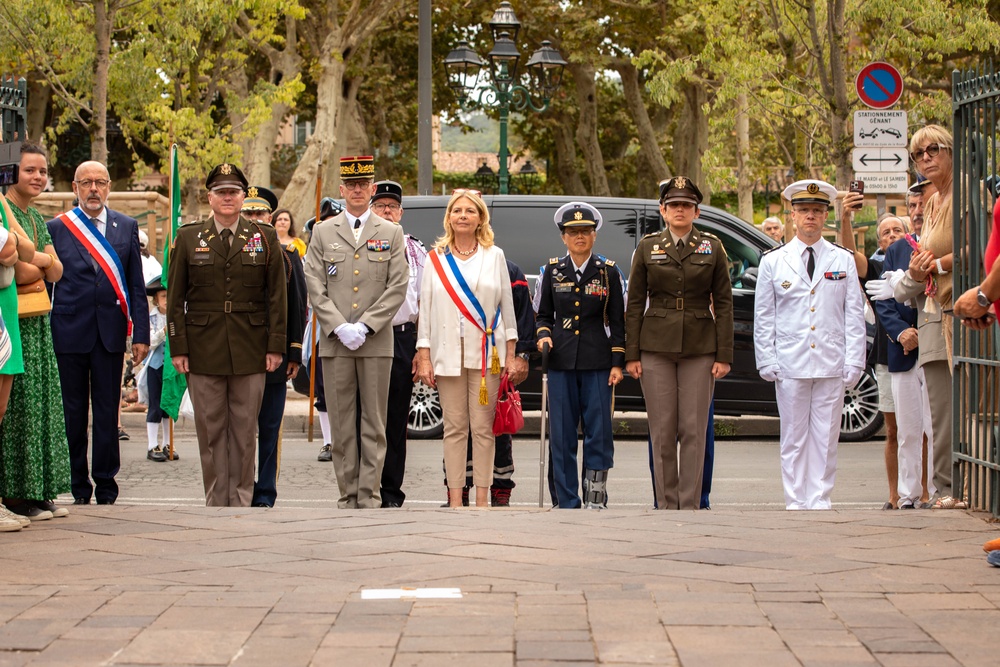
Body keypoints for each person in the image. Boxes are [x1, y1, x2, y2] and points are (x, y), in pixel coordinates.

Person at [167, 163, 287, 507]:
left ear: (242, 196)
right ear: (210, 197)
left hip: (252, 348)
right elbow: (175, 298)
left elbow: (276, 297)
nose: (228, 197)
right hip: (203, 349)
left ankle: (241, 499)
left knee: (246, 431)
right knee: (210, 431)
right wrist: (179, 347)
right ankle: (217, 499)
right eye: (221, 192)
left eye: (234, 191)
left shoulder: (264, 237)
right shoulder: (189, 237)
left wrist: (275, 345)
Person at [303, 157, 408, 509]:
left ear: (373, 188)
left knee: (374, 424)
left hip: (376, 341)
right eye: (352, 185)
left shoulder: (391, 233)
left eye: (365, 184)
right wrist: (338, 325)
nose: (359, 190)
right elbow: (314, 284)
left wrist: (365, 325)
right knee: (342, 422)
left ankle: (370, 494)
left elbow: (398, 286)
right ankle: (348, 493)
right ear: (342, 190)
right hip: (336, 341)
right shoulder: (322, 231)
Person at [754, 179, 865, 510]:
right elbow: (764, 315)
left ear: (826, 215)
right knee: (793, 436)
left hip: (831, 359)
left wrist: (855, 360)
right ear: (792, 215)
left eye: (817, 211)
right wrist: (766, 358)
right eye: (804, 211)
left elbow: (853, 313)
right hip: (791, 360)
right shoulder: (773, 261)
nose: (811, 217)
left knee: (826, 436)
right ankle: (795, 498)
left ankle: (819, 498)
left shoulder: (842, 259)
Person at [625, 177, 733, 510]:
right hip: (655, 346)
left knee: (693, 429)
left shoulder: (712, 247)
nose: (680, 210)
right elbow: (634, 303)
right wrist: (631, 354)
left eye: (686, 205)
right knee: (661, 430)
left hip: (701, 348)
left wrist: (724, 354)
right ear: (663, 210)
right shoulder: (647, 246)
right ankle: (666, 502)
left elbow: (725, 303)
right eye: (673, 205)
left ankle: (690, 504)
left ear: (696, 211)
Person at [47, 160, 149, 505]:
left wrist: (140, 335)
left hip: (109, 333)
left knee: (107, 412)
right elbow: (48, 287)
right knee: (72, 413)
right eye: (86, 182)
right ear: (75, 187)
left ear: (109, 187)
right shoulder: (58, 228)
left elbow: (136, 284)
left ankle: (106, 483)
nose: (94, 189)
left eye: (100, 182)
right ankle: (78, 484)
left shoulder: (127, 226)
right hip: (67, 331)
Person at [414, 189, 517, 509]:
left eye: (469, 211)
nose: (462, 215)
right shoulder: (435, 259)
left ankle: (483, 498)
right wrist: (425, 356)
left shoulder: (495, 255)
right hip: (447, 352)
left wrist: (512, 354)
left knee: (484, 429)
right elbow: (425, 311)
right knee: (455, 428)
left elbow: (508, 309)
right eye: (456, 210)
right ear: (448, 218)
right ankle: (457, 498)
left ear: (480, 218)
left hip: (487, 351)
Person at [537, 202, 625, 509]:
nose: (579, 237)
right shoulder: (551, 271)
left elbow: (617, 321)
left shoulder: (608, 272)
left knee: (598, 433)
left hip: (598, 363)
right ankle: (566, 500)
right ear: (563, 237)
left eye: (585, 231)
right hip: (561, 362)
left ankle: (595, 497)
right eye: (573, 232)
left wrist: (617, 363)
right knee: (561, 435)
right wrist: (544, 335)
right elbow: (543, 316)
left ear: (594, 236)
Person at [0, 143, 71, 521]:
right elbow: (27, 270)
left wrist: (41, 264)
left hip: (39, 321)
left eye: (43, 171)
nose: (38, 177)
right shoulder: (5, 210)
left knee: (40, 404)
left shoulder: (38, 218)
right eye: (30, 170)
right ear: (13, 172)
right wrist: (42, 264)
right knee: (16, 408)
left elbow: (56, 271)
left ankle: (37, 489)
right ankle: (14, 493)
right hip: (13, 322)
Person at [839, 203, 913, 510]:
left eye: (898, 230)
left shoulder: (920, 263)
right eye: (886, 232)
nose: (893, 235)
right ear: (879, 242)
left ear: (909, 236)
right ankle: (894, 495)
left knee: (920, 429)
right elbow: (848, 253)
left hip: (921, 351)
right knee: (894, 430)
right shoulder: (876, 268)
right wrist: (844, 217)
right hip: (887, 355)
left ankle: (922, 492)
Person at [241, 185, 306, 508]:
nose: (254, 219)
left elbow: (297, 304)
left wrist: (294, 351)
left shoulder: (288, 256)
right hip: (238, 355)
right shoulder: (232, 252)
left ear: (271, 217)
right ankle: (241, 487)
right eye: (248, 213)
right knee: (239, 429)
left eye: (260, 214)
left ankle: (265, 491)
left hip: (274, 356)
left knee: (269, 428)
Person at [369, 180, 426, 508]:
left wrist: (421, 348)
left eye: (392, 206)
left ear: (401, 212)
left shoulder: (415, 249)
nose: (386, 210)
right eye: (381, 206)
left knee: (394, 421)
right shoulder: (361, 243)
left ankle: (391, 492)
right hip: (366, 336)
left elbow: (424, 301)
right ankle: (366, 487)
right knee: (364, 417)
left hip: (403, 336)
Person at [142, 277, 173, 462]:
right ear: (156, 299)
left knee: (168, 406)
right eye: (163, 296)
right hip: (155, 366)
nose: (167, 299)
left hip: (170, 366)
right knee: (155, 405)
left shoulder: (175, 316)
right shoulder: (151, 318)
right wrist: (163, 332)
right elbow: (150, 342)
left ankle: (168, 443)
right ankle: (152, 445)